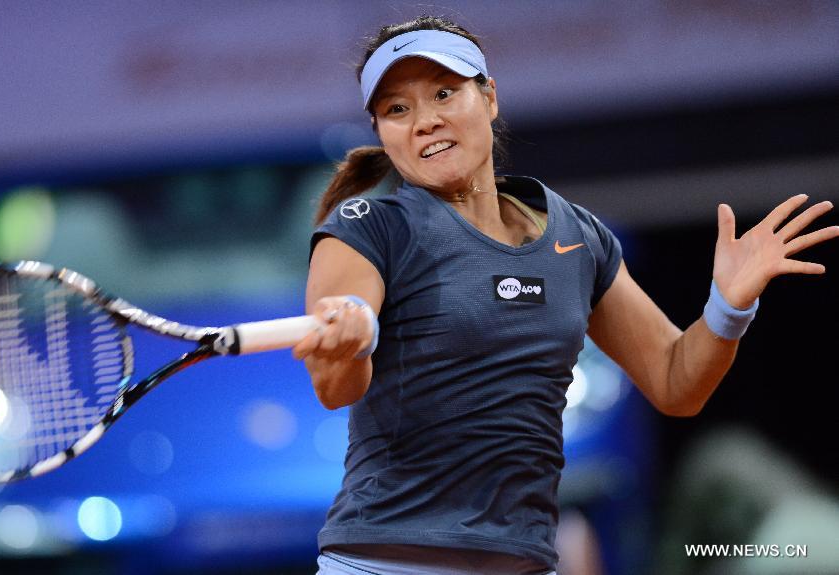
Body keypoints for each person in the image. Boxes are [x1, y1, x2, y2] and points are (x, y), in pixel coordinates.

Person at [291, 15, 838, 575]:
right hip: (386, 565)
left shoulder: (576, 235)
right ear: (381, 131)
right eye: (396, 109)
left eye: (445, 93)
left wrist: (729, 306)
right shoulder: (364, 229)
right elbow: (335, 388)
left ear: (489, 97)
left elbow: (677, 383)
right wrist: (347, 343)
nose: (425, 121)